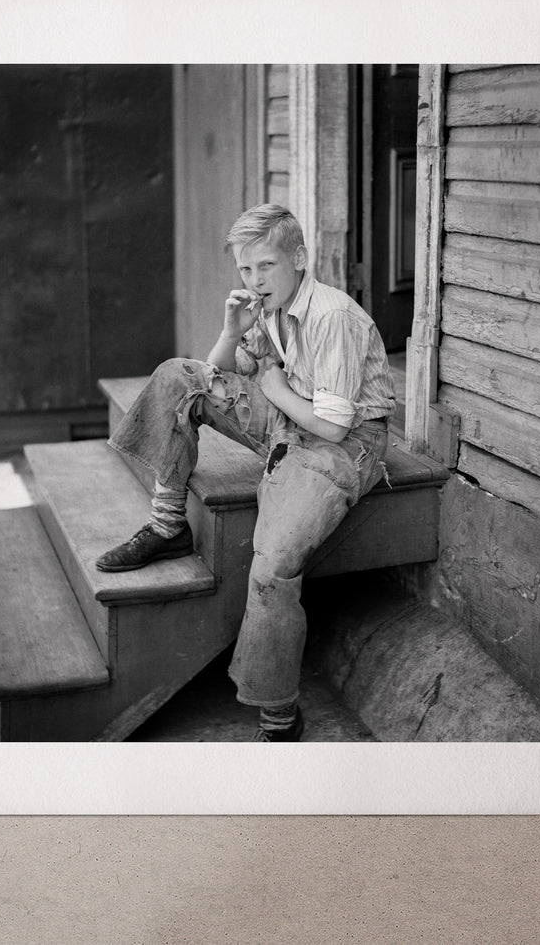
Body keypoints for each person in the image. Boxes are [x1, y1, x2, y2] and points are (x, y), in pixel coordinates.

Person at [96, 204, 396, 741]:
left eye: (267, 266)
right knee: (179, 376)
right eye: (246, 270)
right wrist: (232, 331)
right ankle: (168, 525)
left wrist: (276, 389)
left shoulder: (332, 316)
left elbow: (332, 427)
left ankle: (278, 716)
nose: (255, 281)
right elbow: (218, 372)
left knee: (272, 570)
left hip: (345, 444)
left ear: (299, 258)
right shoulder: (269, 308)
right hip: (288, 415)